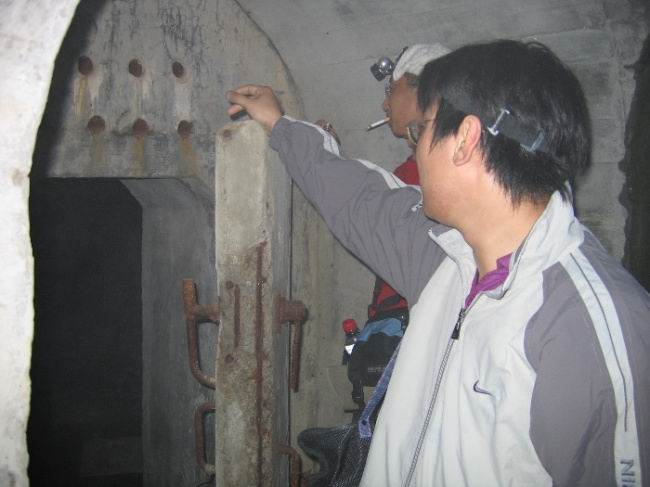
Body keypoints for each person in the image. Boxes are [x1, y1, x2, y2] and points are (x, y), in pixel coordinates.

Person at [226, 39, 649, 486]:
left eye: (421, 130)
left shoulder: (588, 326)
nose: (416, 147)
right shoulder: (446, 258)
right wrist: (280, 125)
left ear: (465, 139)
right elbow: (357, 198)